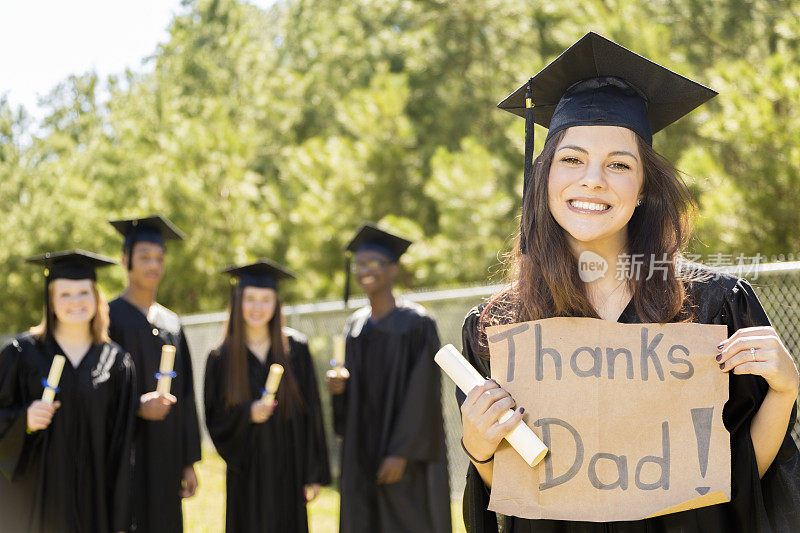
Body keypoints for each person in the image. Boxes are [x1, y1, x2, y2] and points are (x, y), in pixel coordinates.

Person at [458, 32, 800, 532]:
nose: (593, 179)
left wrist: (784, 392)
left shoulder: (711, 307)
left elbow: (739, 476)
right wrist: (481, 449)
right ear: (544, 177)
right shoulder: (500, 329)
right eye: (571, 159)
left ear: (643, 189)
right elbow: (512, 497)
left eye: (619, 164)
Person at [326, 223, 452, 533]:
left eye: (374, 263)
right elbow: (350, 403)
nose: (365, 270)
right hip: (363, 449)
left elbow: (423, 393)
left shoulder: (417, 324)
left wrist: (401, 452)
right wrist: (339, 389)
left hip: (404, 458)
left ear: (393, 269)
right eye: (360, 264)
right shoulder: (355, 326)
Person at [0, 250, 136, 533]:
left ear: (97, 298)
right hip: (35, 503)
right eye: (64, 294)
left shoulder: (115, 362)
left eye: (83, 292)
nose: (76, 302)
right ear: (50, 302)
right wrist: (22, 420)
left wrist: (121, 518)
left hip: (94, 504)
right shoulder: (20, 355)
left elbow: (122, 445)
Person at [204, 259, 330, 532]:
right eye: (250, 299)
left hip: (289, 467)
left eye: (265, 299)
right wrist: (246, 414)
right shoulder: (221, 357)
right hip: (246, 471)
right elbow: (214, 418)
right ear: (238, 303)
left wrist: (313, 472)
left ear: (276, 304)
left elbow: (312, 412)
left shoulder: (295, 348)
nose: (257, 308)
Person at [107, 215, 202, 533]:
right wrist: (136, 406)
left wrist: (188, 462)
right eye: (144, 257)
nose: (153, 264)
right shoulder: (108, 319)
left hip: (166, 450)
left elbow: (186, 394)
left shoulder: (172, 323)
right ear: (125, 260)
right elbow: (100, 388)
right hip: (124, 452)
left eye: (159, 258)